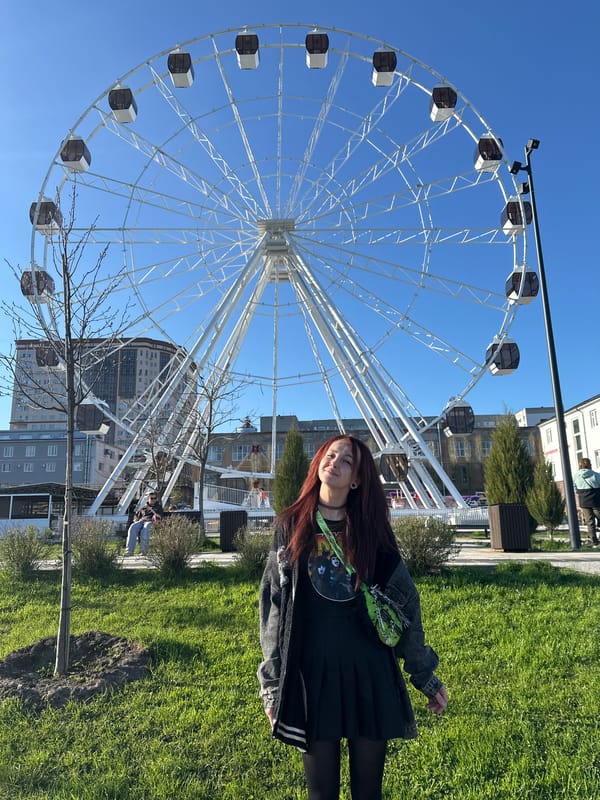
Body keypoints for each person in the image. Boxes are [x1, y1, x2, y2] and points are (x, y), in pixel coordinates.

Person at [257, 435, 447, 800]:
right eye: (331, 456)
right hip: (312, 672)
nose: (336, 463)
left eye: (347, 461)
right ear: (318, 464)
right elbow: (273, 609)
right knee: (321, 793)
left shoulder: (372, 532)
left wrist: (425, 676)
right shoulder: (290, 525)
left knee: (367, 792)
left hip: (368, 668)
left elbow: (405, 603)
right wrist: (272, 686)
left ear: (357, 479)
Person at [125, 490, 163, 555]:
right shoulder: (144, 508)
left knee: (146, 528)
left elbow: (160, 516)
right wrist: (135, 520)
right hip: (142, 521)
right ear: (148, 499)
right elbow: (137, 516)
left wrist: (156, 516)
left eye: (155, 498)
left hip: (151, 521)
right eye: (152, 498)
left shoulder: (158, 507)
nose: (154, 500)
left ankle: (143, 551)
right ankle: (129, 551)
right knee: (133, 527)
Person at [573, 457, 600, 546]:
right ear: (590, 465)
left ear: (580, 465)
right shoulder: (596, 475)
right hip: (596, 500)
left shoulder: (576, 476)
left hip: (584, 501)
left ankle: (593, 540)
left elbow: (574, 488)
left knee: (590, 521)